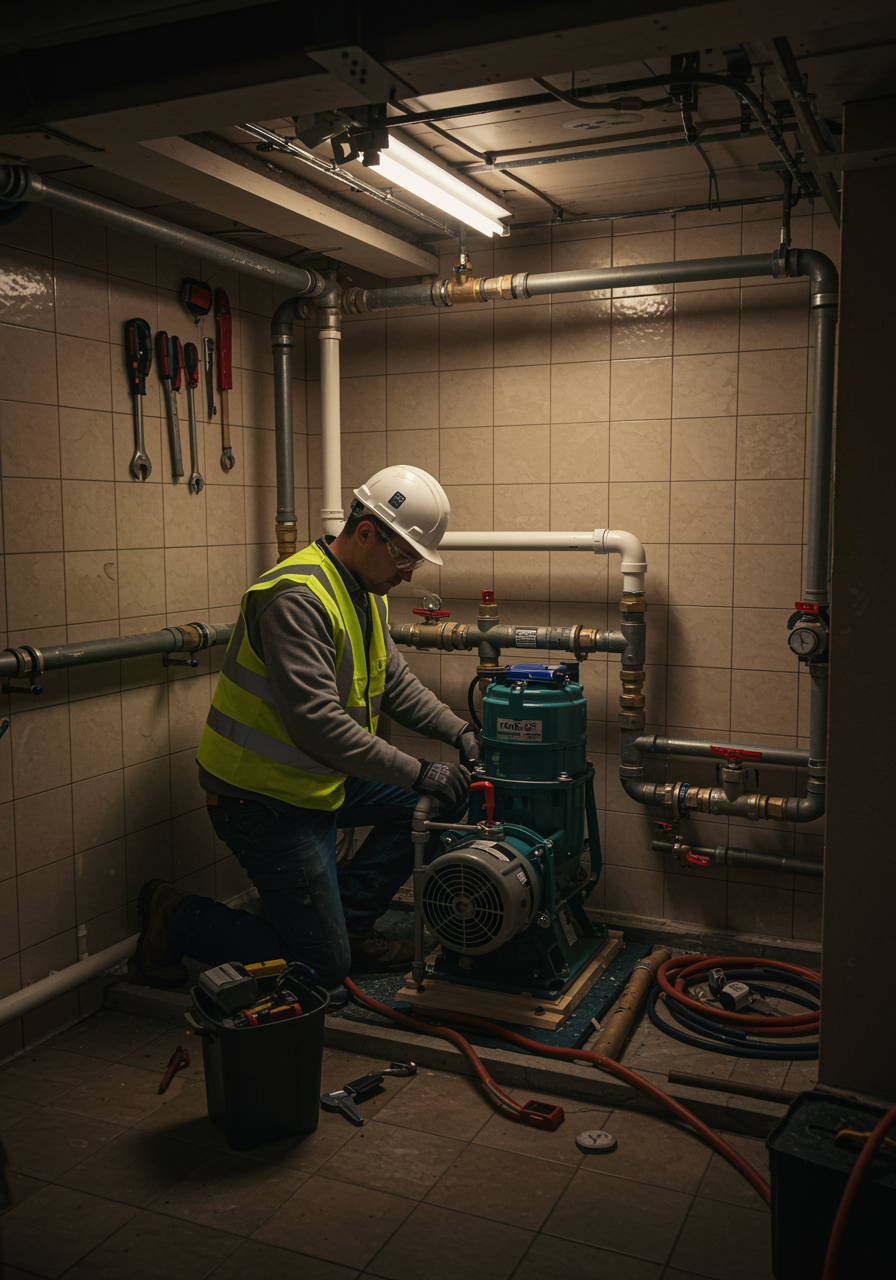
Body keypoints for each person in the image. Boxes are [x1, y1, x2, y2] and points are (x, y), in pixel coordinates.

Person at [135, 465, 478, 994]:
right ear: (366, 533)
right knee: (321, 972)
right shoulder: (297, 597)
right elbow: (319, 726)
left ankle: (351, 920)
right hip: (262, 801)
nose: (409, 573)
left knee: (445, 798)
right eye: (405, 556)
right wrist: (418, 770)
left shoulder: (367, 590)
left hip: (319, 782)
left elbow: (395, 685)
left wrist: (461, 733)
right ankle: (176, 916)